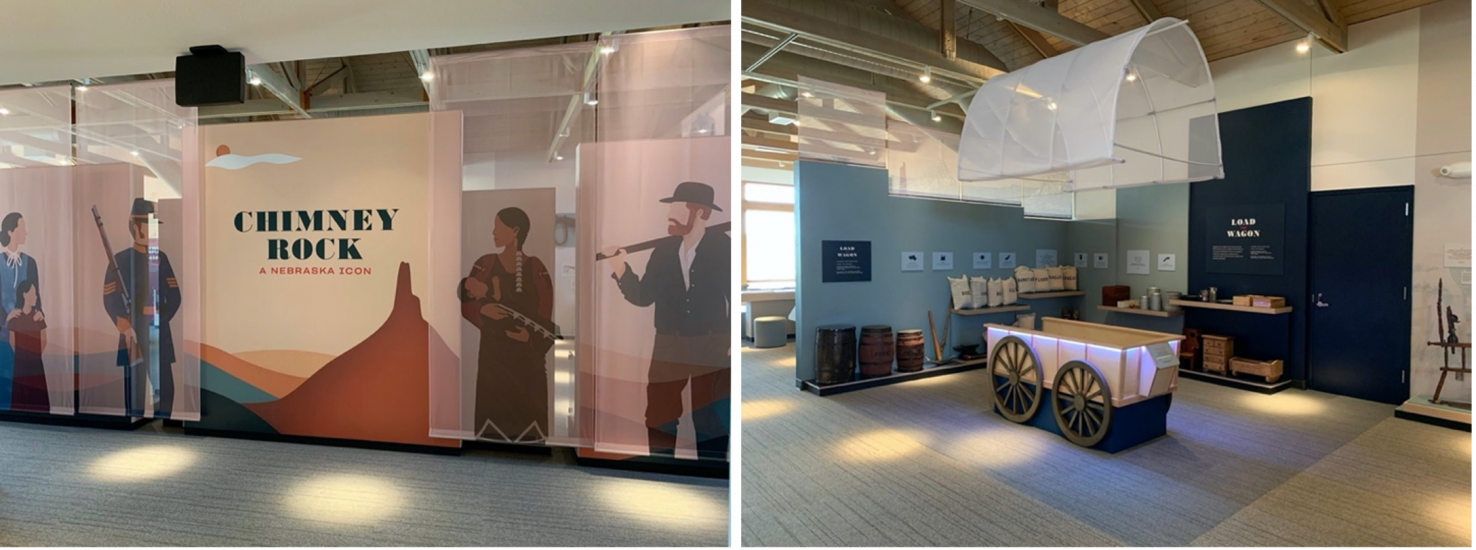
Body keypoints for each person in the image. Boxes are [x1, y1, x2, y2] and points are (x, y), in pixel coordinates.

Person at [602, 181, 732, 460]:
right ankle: (661, 466)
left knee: (710, 414)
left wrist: (731, 341)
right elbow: (642, 296)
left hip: (712, 344)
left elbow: (732, 295)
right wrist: (620, 268)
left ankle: (712, 470)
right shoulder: (662, 251)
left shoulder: (723, 247)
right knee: (660, 413)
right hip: (668, 344)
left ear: (701, 213)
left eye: (676, 208)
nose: (668, 215)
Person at [458, 207, 554, 442]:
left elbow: (545, 314)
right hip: (494, 355)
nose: (493, 232)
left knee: (528, 407)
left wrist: (530, 338)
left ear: (515, 231)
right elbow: (467, 304)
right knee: (493, 402)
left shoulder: (536, 267)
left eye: (498, 227)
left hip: (527, 358)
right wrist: (484, 310)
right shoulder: (485, 263)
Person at [103, 199, 181, 418]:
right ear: (136, 227)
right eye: (148, 224)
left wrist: (160, 317)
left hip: (157, 330)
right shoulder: (120, 260)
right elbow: (110, 297)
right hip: (133, 331)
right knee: (134, 385)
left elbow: (174, 296)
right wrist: (124, 325)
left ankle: (164, 420)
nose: (153, 229)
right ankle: (134, 421)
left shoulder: (160, 257)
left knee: (165, 385)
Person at [1, 212, 42, 411]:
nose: (26, 232)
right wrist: (5, 318)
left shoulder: (30, 262)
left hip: (27, 332)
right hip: (3, 332)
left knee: (28, 376)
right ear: (10, 231)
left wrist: (39, 313)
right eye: (22, 228)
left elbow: (37, 296)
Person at [8, 280, 48, 412]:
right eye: (33, 293)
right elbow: (11, 342)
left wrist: (35, 355)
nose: (36, 296)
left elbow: (44, 340)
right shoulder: (15, 318)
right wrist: (22, 355)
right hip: (20, 364)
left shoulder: (38, 317)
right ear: (25, 294)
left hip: (36, 363)